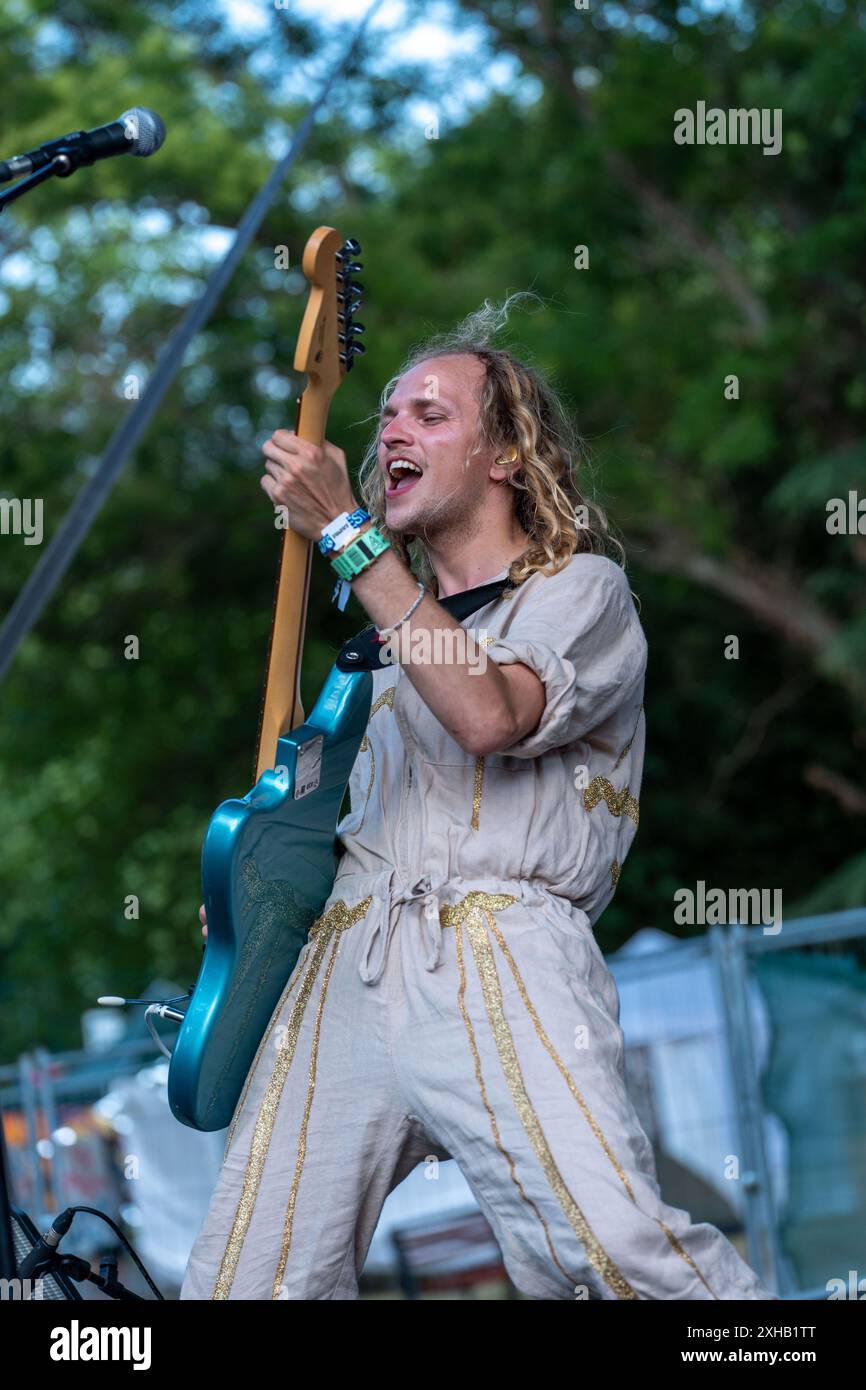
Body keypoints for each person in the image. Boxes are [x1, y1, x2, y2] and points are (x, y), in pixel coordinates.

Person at [181, 305, 779, 1301]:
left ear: (503, 453)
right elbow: (320, 832)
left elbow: (489, 715)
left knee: (609, 1258)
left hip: (498, 947)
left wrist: (343, 531)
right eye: (384, 417)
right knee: (247, 1278)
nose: (390, 433)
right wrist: (251, 891)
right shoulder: (371, 649)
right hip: (346, 960)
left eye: (429, 413)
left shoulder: (579, 594)